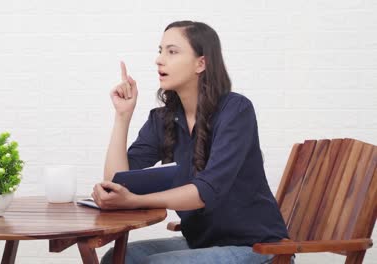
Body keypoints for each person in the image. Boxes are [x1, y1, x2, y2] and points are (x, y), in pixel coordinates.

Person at [92, 21, 290, 264]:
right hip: (202, 243)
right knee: (117, 258)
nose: (159, 59)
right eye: (160, 50)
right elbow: (117, 181)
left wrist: (135, 200)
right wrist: (122, 116)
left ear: (201, 63)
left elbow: (206, 191)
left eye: (172, 51)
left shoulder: (235, 110)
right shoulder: (163, 119)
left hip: (257, 247)